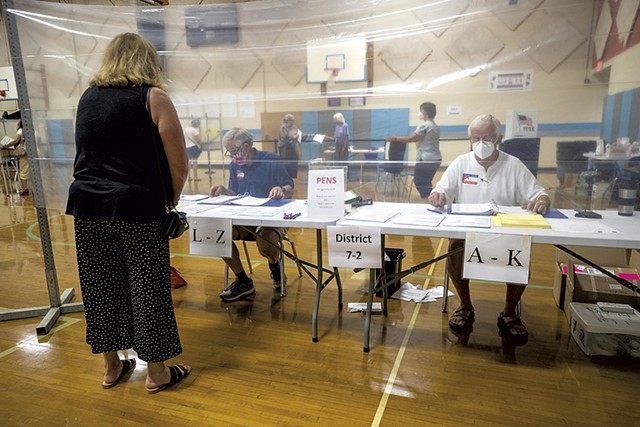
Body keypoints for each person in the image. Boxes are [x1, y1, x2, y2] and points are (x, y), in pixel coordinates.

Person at [65, 33, 191, 393]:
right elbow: (178, 162)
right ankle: (157, 372)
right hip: (137, 207)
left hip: (87, 206)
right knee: (148, 287)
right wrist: (171, 202)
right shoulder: (153, 97)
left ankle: (111, 367)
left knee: (100, 288)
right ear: (148, 61)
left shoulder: (87, 97)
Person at [427, 114, 551, 346]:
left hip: (506, 235)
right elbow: (441, 189)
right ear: (469, 140)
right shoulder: (461, 163)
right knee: (454, 246)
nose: (481, 143)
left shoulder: (513, 165)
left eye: (487, 138)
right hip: (469, 234)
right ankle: (465, 306)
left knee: (521, 250)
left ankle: (509, 313)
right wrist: (438, 195)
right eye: (476, 138)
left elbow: (539, 193)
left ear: (499, 139)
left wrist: (542, 201)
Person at [210, 127, 294, 302]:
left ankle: (274, 265)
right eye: (229, 152)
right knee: (218, 235)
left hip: (271, 217)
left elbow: (289, 187)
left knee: (264, 244)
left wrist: (281, 190)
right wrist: (224, 191)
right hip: (245, 217)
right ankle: (243, 281)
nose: (232, 156)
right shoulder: (235, 166)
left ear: (246, 147)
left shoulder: (271, 160)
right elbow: (235, 191)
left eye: (234, 151)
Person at [386, 102, 441, 199]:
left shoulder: (425, 126)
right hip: (435, 159)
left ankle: (430, 200)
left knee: (420, 181)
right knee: (426, 182)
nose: (419, 113)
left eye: (421, 110)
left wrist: (395, 138)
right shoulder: (434, 126)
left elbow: (412, 138)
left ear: (424, 112)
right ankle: (431, 199)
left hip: (426, 159)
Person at [277, 113, 309, 179]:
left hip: (293, 150)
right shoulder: (282, 128)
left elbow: (299, 134)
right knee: (286, 167)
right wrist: (293, 137)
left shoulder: (294, 127)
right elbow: (284, 137)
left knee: (293, 167)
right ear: (288, 120)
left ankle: (292, 181)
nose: (293, 122)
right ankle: (286, 181)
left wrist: (305, 136)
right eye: (292, 120)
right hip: (285, 151)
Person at [2, 120, 30, 195]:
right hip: (33, 152)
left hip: (24, 153)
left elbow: (16, 140)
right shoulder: (33, 130)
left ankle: (24, 189)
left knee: (23, 170)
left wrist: (6, 145)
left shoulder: (21, 130)